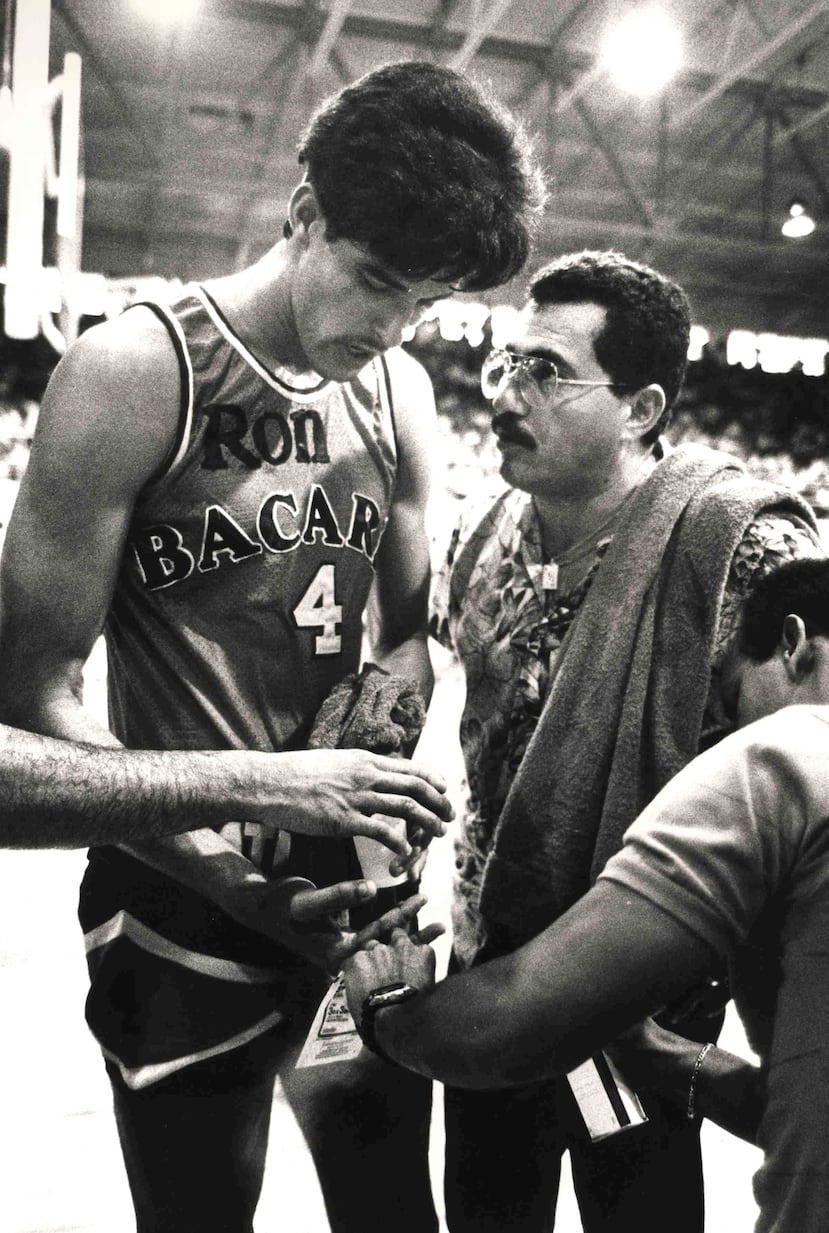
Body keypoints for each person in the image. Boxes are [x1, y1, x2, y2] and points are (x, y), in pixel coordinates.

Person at [0, 60, 541, 1233]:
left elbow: (403, 637)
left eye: (430, 302)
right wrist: (234, 858)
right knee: (199, 1213)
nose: (394, 329)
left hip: (347, 885)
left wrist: (361, 786)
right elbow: (30, 695)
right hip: (173, 891)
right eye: (377, 283)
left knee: (393, 1208)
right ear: (303, 216)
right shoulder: (134, 369)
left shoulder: (395, 389)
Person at [427, 249, 824, 1231]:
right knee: (487, 1211)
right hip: (492, 965)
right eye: (506, 365)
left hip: (640, 1006)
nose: (508, 394)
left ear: (642, 408)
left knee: (633, 1207)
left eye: (547, 373)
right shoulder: (480, 536)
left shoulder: (735, 544)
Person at [344, 555, 829, 1233]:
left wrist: (386, 1006)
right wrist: (653, 1049)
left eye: (728, 698)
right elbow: (808, 1111)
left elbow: (505, 1032)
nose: (721, 732)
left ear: (794, 642)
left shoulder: (787, 753)